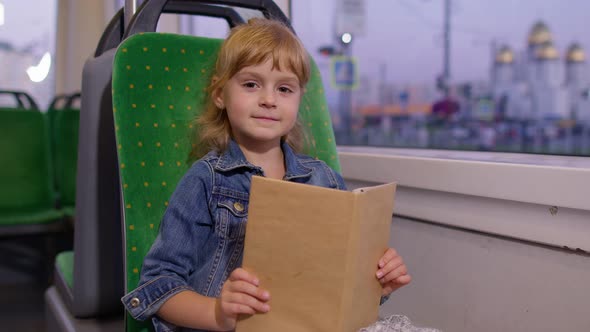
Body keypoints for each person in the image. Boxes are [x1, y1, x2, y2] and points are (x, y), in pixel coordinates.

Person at [121, 18, 411, 332]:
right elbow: (160, 282)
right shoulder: (205, 179)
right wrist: (218, 313)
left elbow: (336, 285)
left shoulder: (324, 180)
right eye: (251, 84)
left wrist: (375, 283)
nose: (269, 99)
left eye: (284, 88)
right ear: (220, 95)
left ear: (300, 99)